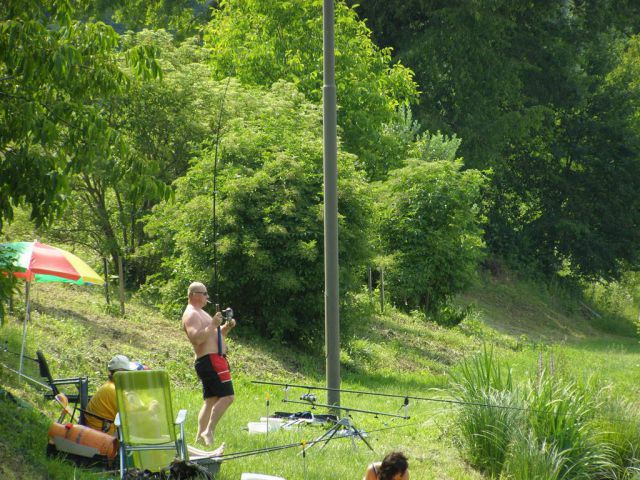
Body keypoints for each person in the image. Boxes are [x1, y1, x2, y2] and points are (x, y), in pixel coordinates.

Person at [182, 282, 236, 447]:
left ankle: (199, 438)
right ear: (194, 295)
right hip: (211, 360)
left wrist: (226, 327)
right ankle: (209, 430)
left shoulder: (201, 313)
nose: (207, 297)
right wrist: (213, 324)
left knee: (211, 400)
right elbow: (196, 338)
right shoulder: (191, 314)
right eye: (205, 294)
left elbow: (213, 336)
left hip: (214, 359)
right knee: (228, 397)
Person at [85, 354, 140, 435]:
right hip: (104, 433)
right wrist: (149, 410)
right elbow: (132, 416)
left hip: (99, 429)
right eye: (128, 373)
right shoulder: (113, 390)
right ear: (122, 374)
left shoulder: (110, 385)